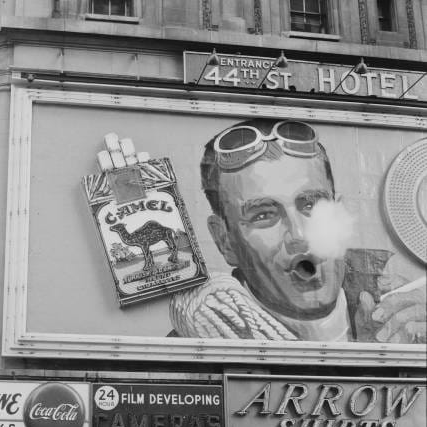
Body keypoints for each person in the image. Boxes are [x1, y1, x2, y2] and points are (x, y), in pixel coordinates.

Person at [161, 118, 426, 344]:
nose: (298, 235)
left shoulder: (407, 300)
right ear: (225, 240)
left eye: (311, 204)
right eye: (264, 215)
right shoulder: (181, 358)